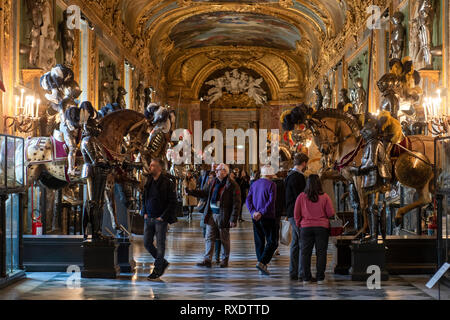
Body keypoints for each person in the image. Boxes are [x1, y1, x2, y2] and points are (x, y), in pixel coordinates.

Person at [187, 163, 241, 268]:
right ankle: (207, 260)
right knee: (209, 237)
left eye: (218, 170)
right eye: (216, 170)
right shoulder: (213, 182)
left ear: (225, 172)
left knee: (224, 238)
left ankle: (224, 260)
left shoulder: (232, 185)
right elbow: (204, 193)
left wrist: (233, 218)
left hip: (223, 215)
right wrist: (191, 192)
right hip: (211, 213)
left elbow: (237, 203)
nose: (215, 172)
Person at [294, 174, 335, 285]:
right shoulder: (325, 196)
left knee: (305, 253)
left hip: (306, 227)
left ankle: (306, 278)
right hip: (322, 227)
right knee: (321, 253)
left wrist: (299, 224)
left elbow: (296, 214)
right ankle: (320, 277)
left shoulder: (301, 196)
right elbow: (331, 213)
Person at [141, 159, 177, 280]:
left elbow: (173, 202)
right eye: (150, 165)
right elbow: (144, 198)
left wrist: (163, 217)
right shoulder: (149, 181)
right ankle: (162, 262)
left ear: (159, 168)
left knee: (160, 244)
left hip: (160, 219)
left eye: (152, 165)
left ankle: (157, 269)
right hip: (149, 217)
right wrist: (144, 212)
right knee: (147, 243)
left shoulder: (168, 183)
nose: (150, 167)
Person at [246, 165, 278, 275]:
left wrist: (253, 212)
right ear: (270, 175)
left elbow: (248, 199)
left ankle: (261, 265)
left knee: (259, 241)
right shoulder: (272, 185)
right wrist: (262, 212)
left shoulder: (254, 184)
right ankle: (262, 262)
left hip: (255, 217)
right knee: (272, 242)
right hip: (267, 216)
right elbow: (271, 201)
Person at [284, 152, 309, 280]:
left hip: (291, 212)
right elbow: (302, 197)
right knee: (302, 242)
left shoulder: (289, 175)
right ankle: (301, 272)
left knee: (295, 243)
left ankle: (293, 272)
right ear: (304, 163)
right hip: (297, 213)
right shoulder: (298, 177)